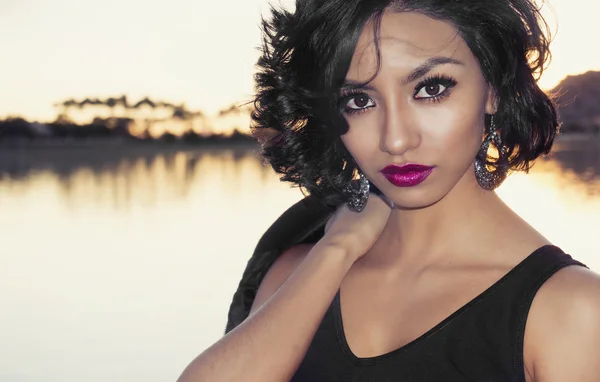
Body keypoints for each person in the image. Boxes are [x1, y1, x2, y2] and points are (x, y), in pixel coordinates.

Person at [178, 0, 600, 380]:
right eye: (359, 101)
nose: (395, 140)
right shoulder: (297, 272)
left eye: (431, 89)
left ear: (492, 88)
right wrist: (337, 249)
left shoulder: (570, 311)